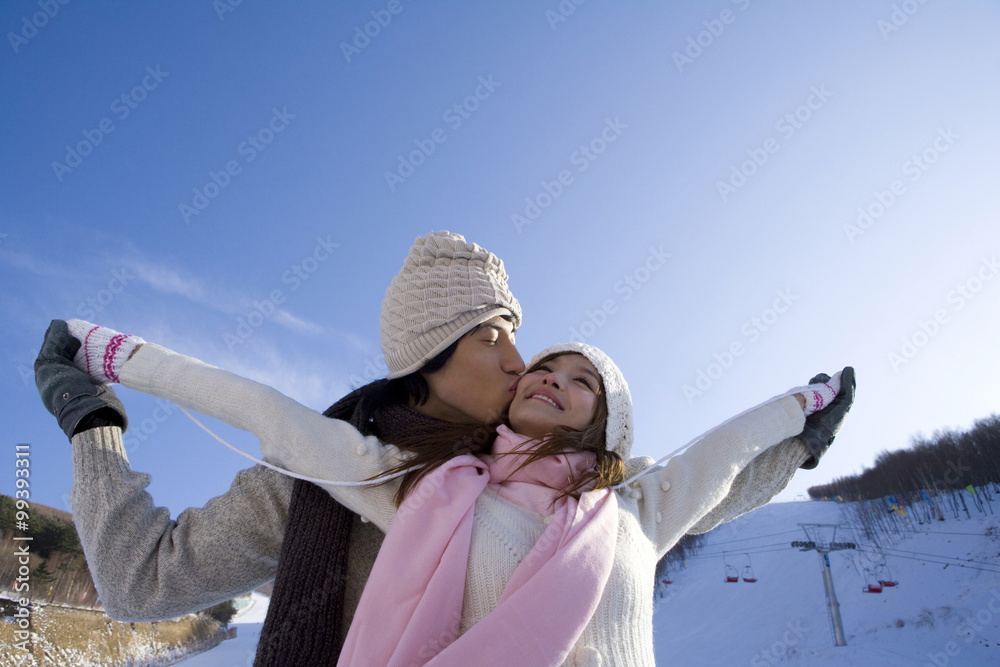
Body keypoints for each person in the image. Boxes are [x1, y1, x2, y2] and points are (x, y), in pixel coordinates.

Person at [35, 232, 852, 663]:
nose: (519, 360)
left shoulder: (586, 490)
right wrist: (93, 426)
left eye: (520, 337)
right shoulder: (321, 478)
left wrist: (798, 440)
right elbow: (142, 579)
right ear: (431, 352)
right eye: (494, 336)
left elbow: (697, 491)